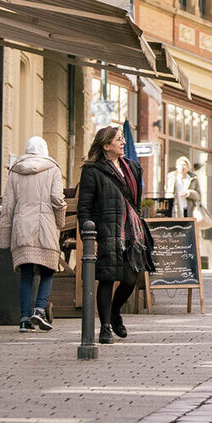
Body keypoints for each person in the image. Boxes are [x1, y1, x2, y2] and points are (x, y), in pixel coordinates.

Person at [76, 126, 155, 344]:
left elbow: (136, 202)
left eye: (122, 139)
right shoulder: (92, 171)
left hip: (131, 233)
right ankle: (104, 328)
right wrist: (88, 236)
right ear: (105, 145)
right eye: (118, 140)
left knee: (130, 279)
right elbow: (85, 207)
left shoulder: (132, 167)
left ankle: (114, 312)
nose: (122, 143)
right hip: (106, 231)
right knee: (107, 279)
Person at [0, 136, 66, 332]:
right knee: (49, 269)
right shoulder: (53, 168)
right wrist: (60, 221)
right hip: (45, 225)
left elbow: (8, 205)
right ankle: (39, 309)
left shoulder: (15, 171)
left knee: (26, 274)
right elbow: (56, 198)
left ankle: (24, 319)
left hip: (22, 226)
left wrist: (5, 236)